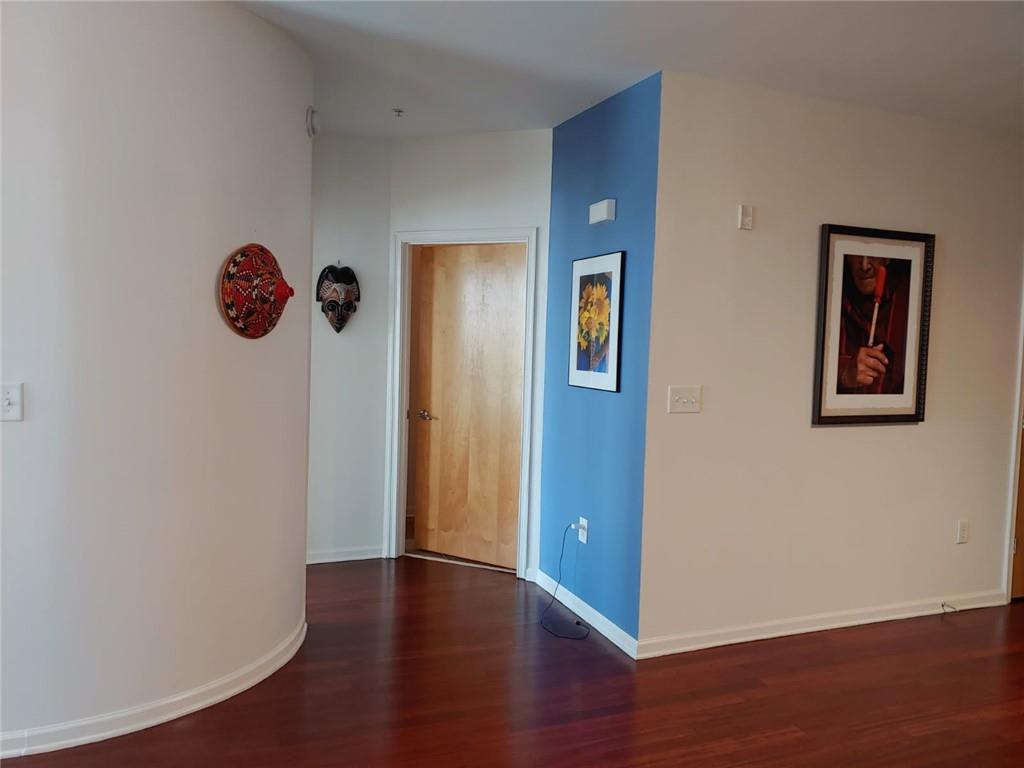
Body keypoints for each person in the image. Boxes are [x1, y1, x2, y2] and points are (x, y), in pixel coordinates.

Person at [837, 254, 909, 394]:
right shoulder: (835, 293)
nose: (864, 266)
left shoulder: (908, 297)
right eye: (857, 254)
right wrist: (844, 372)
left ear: (887, 257)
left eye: (872, 255)